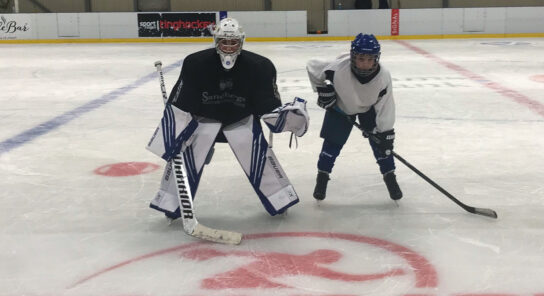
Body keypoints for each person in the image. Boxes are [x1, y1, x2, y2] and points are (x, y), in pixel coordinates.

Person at [147, 17, 308, 218]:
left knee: (256, 153)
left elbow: (266, 103)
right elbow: (181, 103)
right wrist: (173, 135)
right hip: (203, 121)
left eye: (233, 42)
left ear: (241, 41)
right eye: (225, 42)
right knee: (187, 151)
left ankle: (280, 198)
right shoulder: (196, 63)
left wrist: (285, 116)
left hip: (240, 120)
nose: (229, 47)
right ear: (216, 41)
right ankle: (170, 202)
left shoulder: (260, 66)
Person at [306, 33, 401, 201]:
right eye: (361, 59)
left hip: (368, 109)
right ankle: (322, 177)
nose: (365, 64)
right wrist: (321, 90)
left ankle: (390, 177)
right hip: (341, 108)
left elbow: (386, 106)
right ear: (353, 57)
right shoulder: (337, 68)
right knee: (331, 144)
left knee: (380, 145)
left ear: (377, 58)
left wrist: (385, 132)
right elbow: (312, 66)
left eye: (370, 59)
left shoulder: (383, 77)